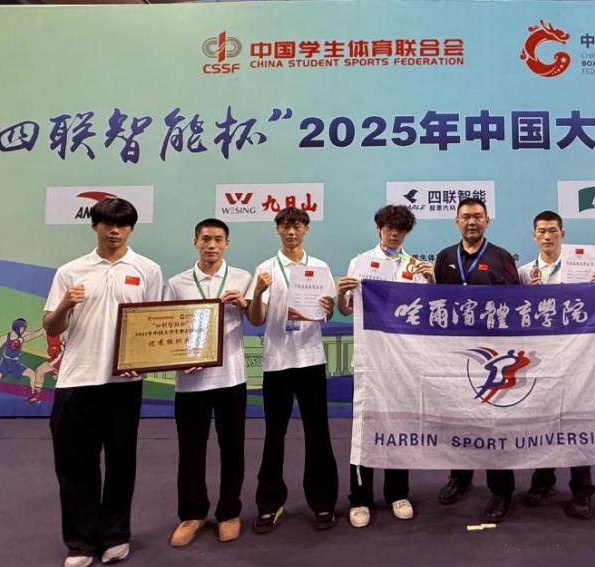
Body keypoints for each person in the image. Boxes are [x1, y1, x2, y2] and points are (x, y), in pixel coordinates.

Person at [42, 198, 163, 567]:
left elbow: (154, 324)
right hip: (77, 380)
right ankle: (79, 542)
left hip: (124, 383)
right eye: (108, 224)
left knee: (121, 463)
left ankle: (115, 535)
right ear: (94, 226)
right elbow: (51, 327)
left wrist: (142, 363)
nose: (115, 231)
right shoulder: (70, 271)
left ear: (131, 229)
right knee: (75, 465)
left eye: (122, 225)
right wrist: (65, 304)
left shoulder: (147, 270)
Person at [336, 205, 435, 528]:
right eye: (390, 228)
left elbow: (427, 312)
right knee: (366, 427)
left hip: (403, 361)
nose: (395, 234)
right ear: (379, 228)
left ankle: (398, 493)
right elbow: (346, 309)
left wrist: (431, 280)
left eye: (401, 229)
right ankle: (359, 497)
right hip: (370, 359)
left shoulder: (414, 266)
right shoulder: (361, 262)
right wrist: (341, 294)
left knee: (400, 426)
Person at [246, 208, 340, 533]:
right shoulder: (265, 269)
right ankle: (269, 503)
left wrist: (329, 308)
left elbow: (328, 313)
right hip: (277, 363)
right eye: (285, 227)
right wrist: (257, 293)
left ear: (306, 229)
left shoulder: (320, 268)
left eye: (296, 226)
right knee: (274, 436)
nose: (291, 232)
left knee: (318, 434)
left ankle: (323, 501)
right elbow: (255, 319)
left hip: (311, 360)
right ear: (277, 230)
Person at [163, 218, 253, 547]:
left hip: (231, 377)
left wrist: (245, 303)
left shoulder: (243, 278)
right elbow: (166, 326)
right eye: (205, 239)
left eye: (217, 239)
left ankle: (229, 512)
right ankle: (193, 513)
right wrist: (178, 360)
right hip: (190, 382)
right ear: (195, 242)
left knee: (233, 448)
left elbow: (257, 317)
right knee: (191, 450)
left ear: (227, 243)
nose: (211, 245)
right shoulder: (177, 283)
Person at [432, 197, 521, 523]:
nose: (472, 222)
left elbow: (517, 303)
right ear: (457, 221)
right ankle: (460, 476)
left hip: (493, 355)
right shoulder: (445, 257)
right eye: (466, 216)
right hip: (455, 352)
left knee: (494, 421)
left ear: (487, 221)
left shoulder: (501, 257)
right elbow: (436, 302)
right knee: (458, 416)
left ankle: (501, 489)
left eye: (478, 217)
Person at [515, 210, 595, 519]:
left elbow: (594, 310)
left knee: (576, 421)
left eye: (552, 230)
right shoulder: (524, 273)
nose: (547, 236)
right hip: (540, 360)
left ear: (562, 233)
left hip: (576, 358)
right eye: (541, 231)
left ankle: (582, 490)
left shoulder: (584, 268)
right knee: (543, 420)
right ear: (534, 235)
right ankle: (543, 481)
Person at [0, 318, 45, 403]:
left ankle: (34, 396)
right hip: (5, 363)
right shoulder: (5, 337)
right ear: (17, 327)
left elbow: (34, 334)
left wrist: (43, 330)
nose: (23, 330)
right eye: (22, 328)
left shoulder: (22, 335)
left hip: (16, 364)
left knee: (33, 374)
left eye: (24, 328)